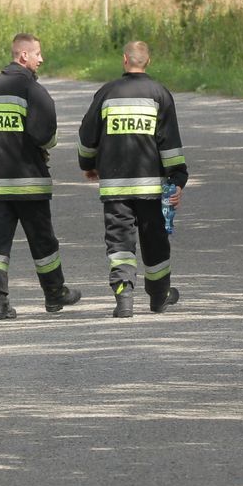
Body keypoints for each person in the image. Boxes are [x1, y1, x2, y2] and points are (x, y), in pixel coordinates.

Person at [0, 33, 83, 320]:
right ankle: (55, 294)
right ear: (23, 56)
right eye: (38, 54)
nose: (41, 59)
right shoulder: (32, 90)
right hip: (29, 183)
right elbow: (46, 136)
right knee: (43, 242)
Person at [77, 41, 188, 318]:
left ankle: (124, 298)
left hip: (115, 188)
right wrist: (177, 179)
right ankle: (159, 296)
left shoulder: (107, 93)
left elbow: (86, 136)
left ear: (125, 60)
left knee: (119, 243)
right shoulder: (159, 94)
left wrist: (88, 164)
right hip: (151, 187)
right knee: (155, 241)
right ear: (147, 62)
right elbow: (170, 144)